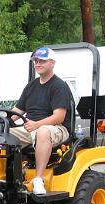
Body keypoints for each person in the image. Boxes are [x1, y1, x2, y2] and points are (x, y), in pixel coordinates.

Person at [10, 47, 71, 195]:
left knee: (43, 132)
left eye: (42, 61)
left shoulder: (59, 86)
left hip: (56, 128)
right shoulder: (31, 86)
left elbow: (59, 116)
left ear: (52, 63)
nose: (38, 64)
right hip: (30, 128)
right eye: (36, 61)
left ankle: (38, 179)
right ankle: (9, 178)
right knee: (4, 135)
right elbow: (16, 112)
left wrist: (36, 124)